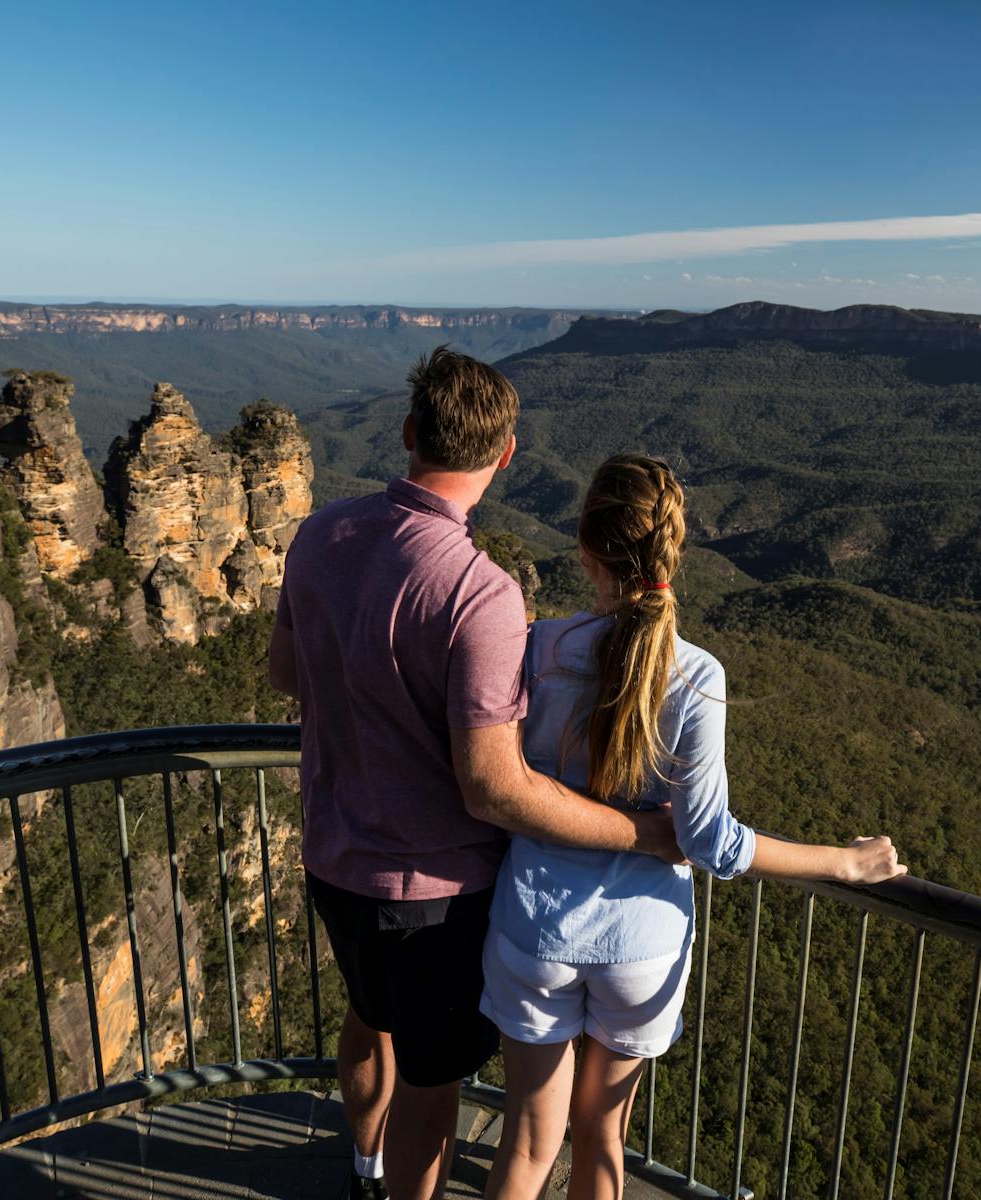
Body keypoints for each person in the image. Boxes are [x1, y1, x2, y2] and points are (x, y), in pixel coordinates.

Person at [268, 350, 682, 1200]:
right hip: (433, 895)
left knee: (366, 1020)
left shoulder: (319, 534)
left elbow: (284, 672)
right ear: (507, 456)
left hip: (330, 856)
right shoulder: (478, 590)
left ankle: (362, 1164)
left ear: (411, 431)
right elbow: (494, 786)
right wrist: (644, 834)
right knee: (431, 1082)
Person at [481, 454, 908, 1200]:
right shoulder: (696, 676)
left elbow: (510, 782)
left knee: (526, 1140)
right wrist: (844, 862)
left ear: (583, 550)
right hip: (638, 947)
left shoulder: (539, 647)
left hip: (534, 928)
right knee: (601, 1142)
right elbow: (712, 842)